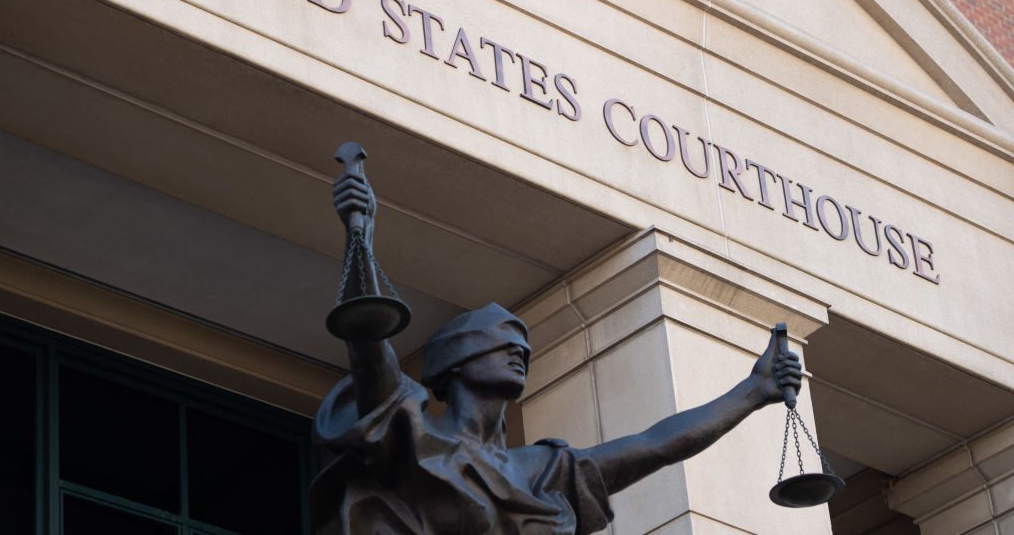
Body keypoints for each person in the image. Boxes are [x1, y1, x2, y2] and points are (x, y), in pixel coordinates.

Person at [311, 174, 803, 534]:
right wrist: (362, 238)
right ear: (454, 366)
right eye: (500, 343)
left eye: (521, 347)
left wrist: (753, 391)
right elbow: (370, 346)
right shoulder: (412, 439)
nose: (518, 352)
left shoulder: (542, 471)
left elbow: (659, 443)